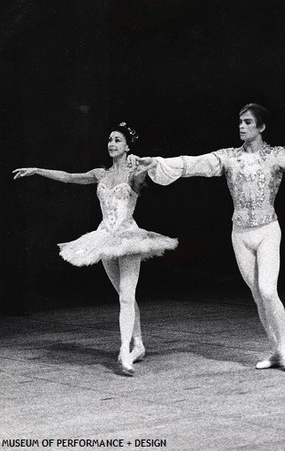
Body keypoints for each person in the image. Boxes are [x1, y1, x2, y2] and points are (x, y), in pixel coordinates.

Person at [131, 103, 285, 372]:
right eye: (240, 121)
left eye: (248, 122)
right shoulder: (228, 157)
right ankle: (274, 350)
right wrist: (155, 162)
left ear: (261, 127)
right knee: (258, 296)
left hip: (267, 231)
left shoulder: (275, 156)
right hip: (240, 234)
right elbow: (193, 163)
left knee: (268, 290)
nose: (241, 126)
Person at [13, 122, 178, 376]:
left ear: (127, 146)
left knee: (126, 295)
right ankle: (140, 344)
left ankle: (125, 350)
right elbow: (69, 176)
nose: (112, 144)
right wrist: (36, 170)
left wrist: (146, 164)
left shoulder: (133, 174)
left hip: (128, 237)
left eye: (117, 140)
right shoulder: (100, 174)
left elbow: (150, 170)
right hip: (104, 237)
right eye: (110, 139)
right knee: (125, 296)